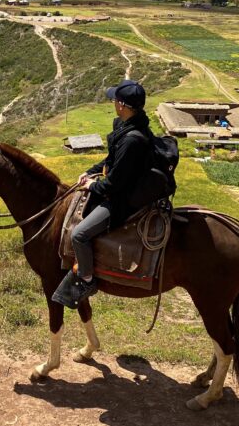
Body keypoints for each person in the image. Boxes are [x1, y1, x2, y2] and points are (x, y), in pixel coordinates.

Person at [52, 79, 152, 309]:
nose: (113, 103)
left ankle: (87, 279)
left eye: (116, 100)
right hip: (121, 188)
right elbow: (111, 161)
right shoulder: (128, 127)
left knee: (79, 235)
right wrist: (90, 172)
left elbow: (114, 185)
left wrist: (91, 186)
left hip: (125, 201)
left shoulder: (132, 140)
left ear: (123, 105)